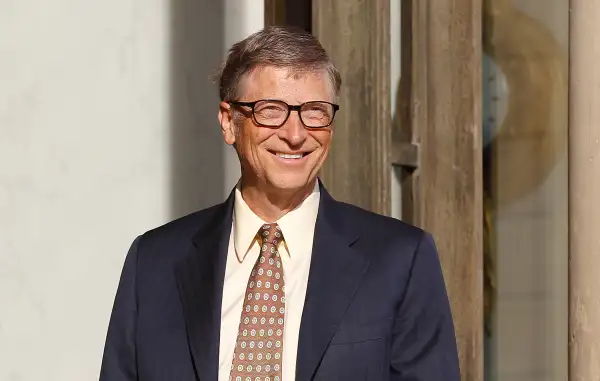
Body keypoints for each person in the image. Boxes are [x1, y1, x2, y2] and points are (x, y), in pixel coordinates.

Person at [99, 26, 460, 381]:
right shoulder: (153, 263)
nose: (295, 134)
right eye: (271, 110)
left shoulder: (400, 260)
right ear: (229, 122)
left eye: (315, 111)